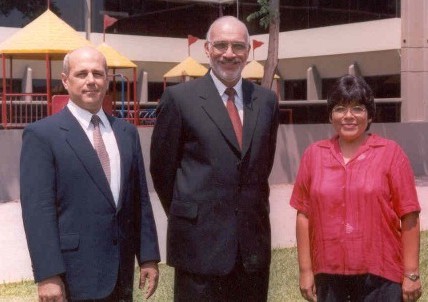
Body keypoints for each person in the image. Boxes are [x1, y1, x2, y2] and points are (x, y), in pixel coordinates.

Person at [150, 15, 279, 302]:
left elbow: (260, 167)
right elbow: (162, 171)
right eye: (221, 45)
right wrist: (194, 215)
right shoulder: (179, 100)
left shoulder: (266, 102)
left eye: (238, 46)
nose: (229, 54)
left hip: (251, 248)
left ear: (249, 51)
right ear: (207, 49)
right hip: (198, 247)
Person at [20, 46, 160, 301]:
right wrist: (48, 274)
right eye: (81, 73)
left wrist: (149, 257)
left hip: (121, 271)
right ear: (65, 80)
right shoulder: (42, 135)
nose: (90, 81)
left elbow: (139, 201)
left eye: (97, 73)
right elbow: (38, 211)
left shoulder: (126, 133)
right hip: (73, 274)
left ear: (107, 80)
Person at [290, 74, 422, 302]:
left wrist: (411, 272)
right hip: (329, 274)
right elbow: (304, 215)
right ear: (331, 115)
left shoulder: (391, 154)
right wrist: (305, 270)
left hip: (380, 275)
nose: (348, 116)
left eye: (358, 109)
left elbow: (409, 215)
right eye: (340, 108)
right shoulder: (314, 155)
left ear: (369, 114)